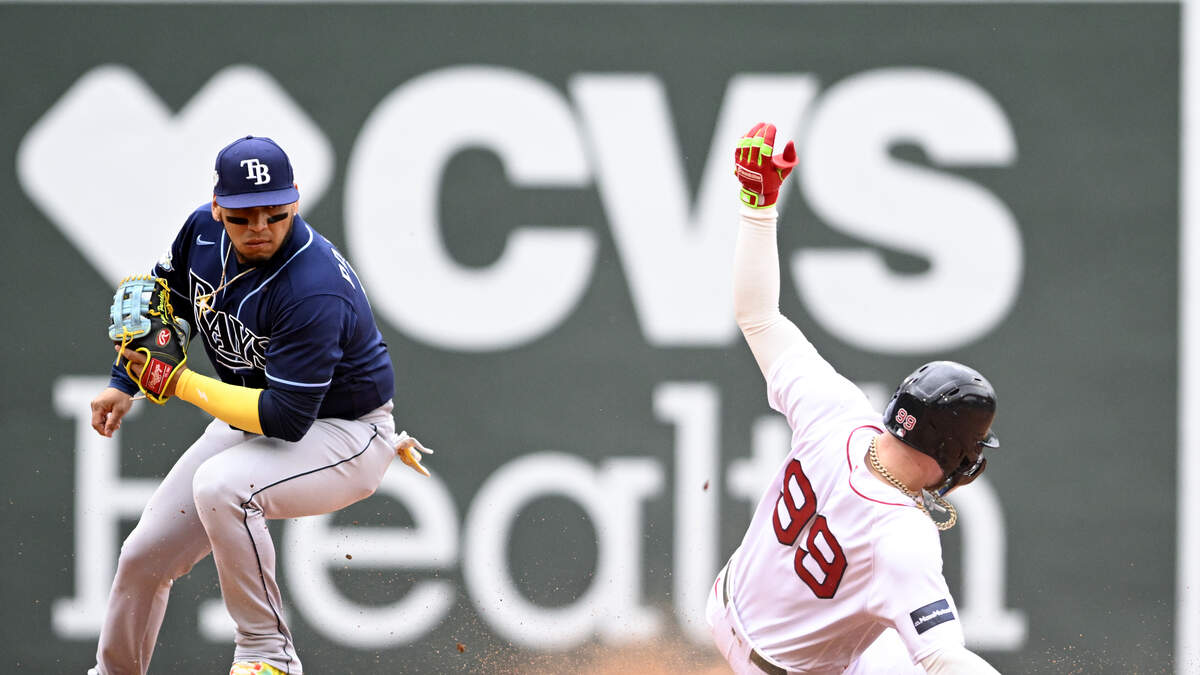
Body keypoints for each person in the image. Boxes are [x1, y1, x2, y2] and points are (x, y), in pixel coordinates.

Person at [87, 136, 430, 675]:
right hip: (255, 419)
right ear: (219, 207)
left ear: (295, 203)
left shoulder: (312, 288)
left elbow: (284, 419)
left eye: (276, 212)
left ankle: (268, 656)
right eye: (245, 216)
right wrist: (123, 383)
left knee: (223, 486)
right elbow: (162, 309)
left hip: (344, 433)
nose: (262, 228)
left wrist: (178, 384)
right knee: (144, 559)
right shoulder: (201, 232)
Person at [708, 122, 1003, 674]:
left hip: (726, 603)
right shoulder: (901, 536)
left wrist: (758, 209)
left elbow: (758, 316)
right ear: (955, 450)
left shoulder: (836, 412)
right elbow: (942, 658)